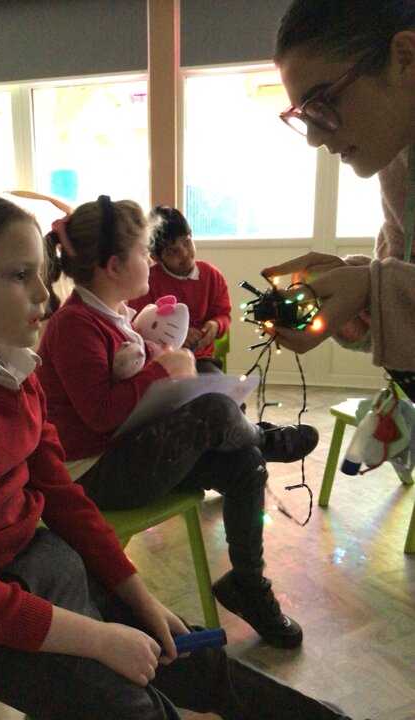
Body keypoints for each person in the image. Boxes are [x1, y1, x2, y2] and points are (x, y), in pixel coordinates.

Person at [0, 183, 368, 720]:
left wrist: (138, 598)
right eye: (19, 276)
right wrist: (102, 639)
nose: (44, 295)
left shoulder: (9, 361)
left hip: (36, 565)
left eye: (40, 273)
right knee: (135, 706)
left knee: (188, 655)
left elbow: (61, 495)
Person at [36, 194, 321, 652]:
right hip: (93, 474)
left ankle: (247, 584)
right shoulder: (74, 325)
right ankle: (268, 438)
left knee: (245, 463)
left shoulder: (116, 315)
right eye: (142, 252)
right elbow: (101, 415)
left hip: (124, 452)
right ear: (113, 265)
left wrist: (169, 373)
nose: (150, 261)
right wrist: (163, 370)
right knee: (215, 411)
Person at [262, 0, 415, 400]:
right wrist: (354, 296)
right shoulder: (398, 159)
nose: (315, 138)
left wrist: (372, 290)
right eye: (304, 115)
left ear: (405, 58)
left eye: (323, 103)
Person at [128, 206, 231, 374]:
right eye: (172, 251)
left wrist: (216, 325)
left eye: (186, 242)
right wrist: (178, 334)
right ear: (156, 257)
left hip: (200, 360)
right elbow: (138, 326)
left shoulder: (212, 276)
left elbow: (223, 314)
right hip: (160, 361)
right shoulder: (148, 281)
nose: (184, 253)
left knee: (220, 386)